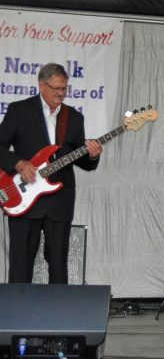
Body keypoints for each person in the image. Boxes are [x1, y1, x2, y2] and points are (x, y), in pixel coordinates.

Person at [0, 63, 103, 284]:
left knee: (58, 263)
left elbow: (81, 160)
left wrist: (93, 156)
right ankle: (19, 304)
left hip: (60, 200)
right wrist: (18, 164)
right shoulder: (20, 111)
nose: (60, 93)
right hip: (23, 198)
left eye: (64, 88)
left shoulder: (74, 117)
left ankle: (60, 305)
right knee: (20, 263)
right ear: (41, 85)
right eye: (56, 88)